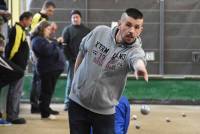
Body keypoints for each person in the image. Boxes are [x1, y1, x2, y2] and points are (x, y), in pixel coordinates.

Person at [68, 8, 148, 134]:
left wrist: (140, 67)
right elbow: (82, 51)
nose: (132, 31)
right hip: (78, 103)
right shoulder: (100, 32)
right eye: (128, 25)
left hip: (104, 111)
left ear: (140, 30)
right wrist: (76, 82)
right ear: (119, 24)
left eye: (137, 27)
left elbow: (137, 59)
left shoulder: (134, 51)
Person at [31, 21, 65, 120]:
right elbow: (46, 51)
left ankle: (46, 110)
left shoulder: (43, 39)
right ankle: (45, 113)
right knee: (46, 92)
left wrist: (57, 43)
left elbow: (53, 49)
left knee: (48, 91)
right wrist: (54, 42)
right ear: (42, 29)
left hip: (52, 69)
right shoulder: (37, 40)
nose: (49, 31)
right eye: (48, 29)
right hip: (46, 69)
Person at [4, 11, 33, 124]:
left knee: (16, 91)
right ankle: (12, 116)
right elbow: (13, 48)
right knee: (15, 91)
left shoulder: (21, 30)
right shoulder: (18, 29)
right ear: (24, 19)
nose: (30, 23)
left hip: (18, 66)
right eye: (30, 20)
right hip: (16, 66)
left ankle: (13, 114)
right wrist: (10, 64)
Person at [30, 0, 56, 114]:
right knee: (37, 80)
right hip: (37, 51)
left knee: (40, 80)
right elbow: (33, 32)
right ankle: (34, 105)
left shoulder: (45, 19)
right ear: (45, 8)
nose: (51, 13)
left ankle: (42, 105)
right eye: (50, 10)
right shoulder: (37, 17)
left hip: (41, 51)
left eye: (52, 11)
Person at [62, 10, 90, 111]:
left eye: (77, 17)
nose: (75, 19)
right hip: (72, 61)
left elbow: (90, 46)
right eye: (73, 17)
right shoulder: (67, 30)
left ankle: (82, 103)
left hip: (85, 61)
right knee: (71, 81)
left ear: (80, 18)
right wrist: (69, 59)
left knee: (84, 82)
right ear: (71, 19)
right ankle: (68, 103)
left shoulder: (87, 30)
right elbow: (64, 46)